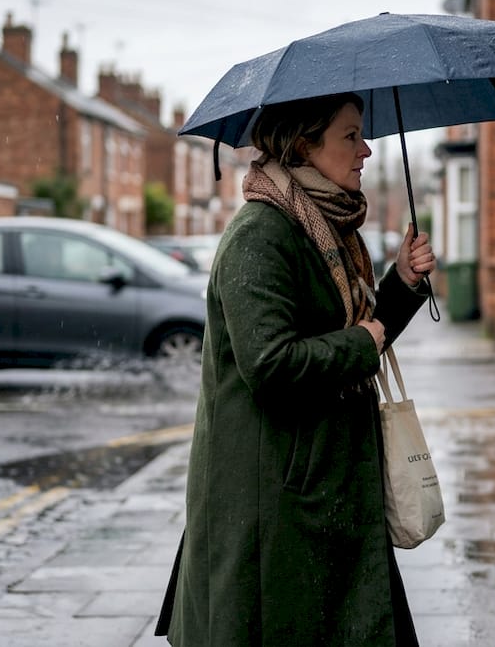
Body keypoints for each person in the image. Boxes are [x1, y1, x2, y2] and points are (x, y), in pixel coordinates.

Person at [156, 91, 436, 646]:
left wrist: (400, 285)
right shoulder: (260, 235)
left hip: (322, 485)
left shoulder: (329, 229)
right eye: (350, 136)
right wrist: (363, 339)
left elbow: (358, 332)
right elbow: (271, 363)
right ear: (305, 143)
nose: (367, 151)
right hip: (275, 498)